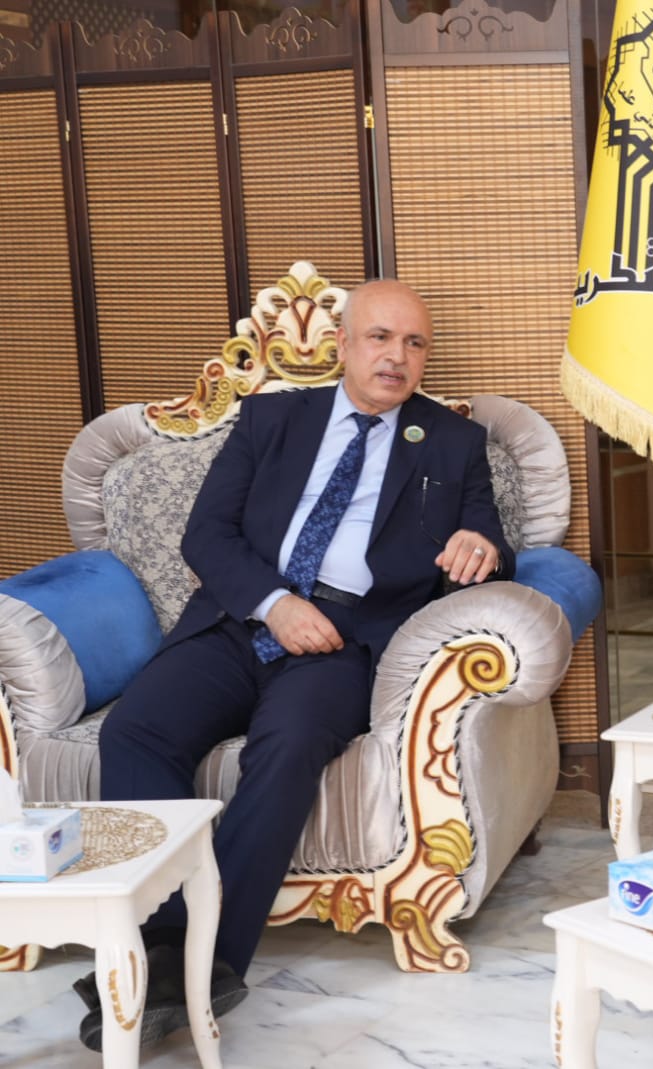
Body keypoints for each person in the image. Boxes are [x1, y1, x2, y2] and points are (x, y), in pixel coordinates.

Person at [80, 279, 513, 1050]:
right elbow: (206, 534)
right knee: (136, 730)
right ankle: (162, 943)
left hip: (345, 641)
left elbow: (487, 536)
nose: (397, 356)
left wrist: (482, 544)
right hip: (240, 620)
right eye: (380, 337)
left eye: (414, 343)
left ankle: (199, 960)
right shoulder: (272, 418)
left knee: (288, 746)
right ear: (343, 345)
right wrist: (275, 603)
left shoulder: (452, 441)